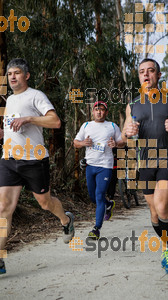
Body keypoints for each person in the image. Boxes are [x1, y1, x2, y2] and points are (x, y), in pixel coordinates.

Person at [122, 58, 168, 274]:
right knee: (155, 212)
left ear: (159, 75)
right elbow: (124, 134)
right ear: (139, 77)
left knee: (162, 205)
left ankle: (167, 249)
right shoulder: (132, 104)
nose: (146, 75)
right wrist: (127, 133)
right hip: (145, 161)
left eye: (151, 71)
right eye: (142, 72)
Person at [0, 58, 75, 275]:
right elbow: (12, 129)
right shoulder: (9, 101)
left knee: (44, 203)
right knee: (4, 209)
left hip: (34, 161)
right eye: (9, 73)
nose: (12, 77)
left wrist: (29, 119)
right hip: (9, 160)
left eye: (16, 73)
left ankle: (65, 219)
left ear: (27, 76)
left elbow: (55, 121)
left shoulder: (36, 96)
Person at [74, 101, 124, 239]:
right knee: (93, 196)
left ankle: (96, 228)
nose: (99, 112)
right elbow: (76, 142)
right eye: (96, 109)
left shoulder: (112, 126)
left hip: (105, 166)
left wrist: (116, 144)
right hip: (90, 165)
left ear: (106, 112)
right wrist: (84, 143)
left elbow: (122, 142)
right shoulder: (86, 125)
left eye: (102, 109)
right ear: (93, 111)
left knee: (99, 194)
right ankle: (109, 204)